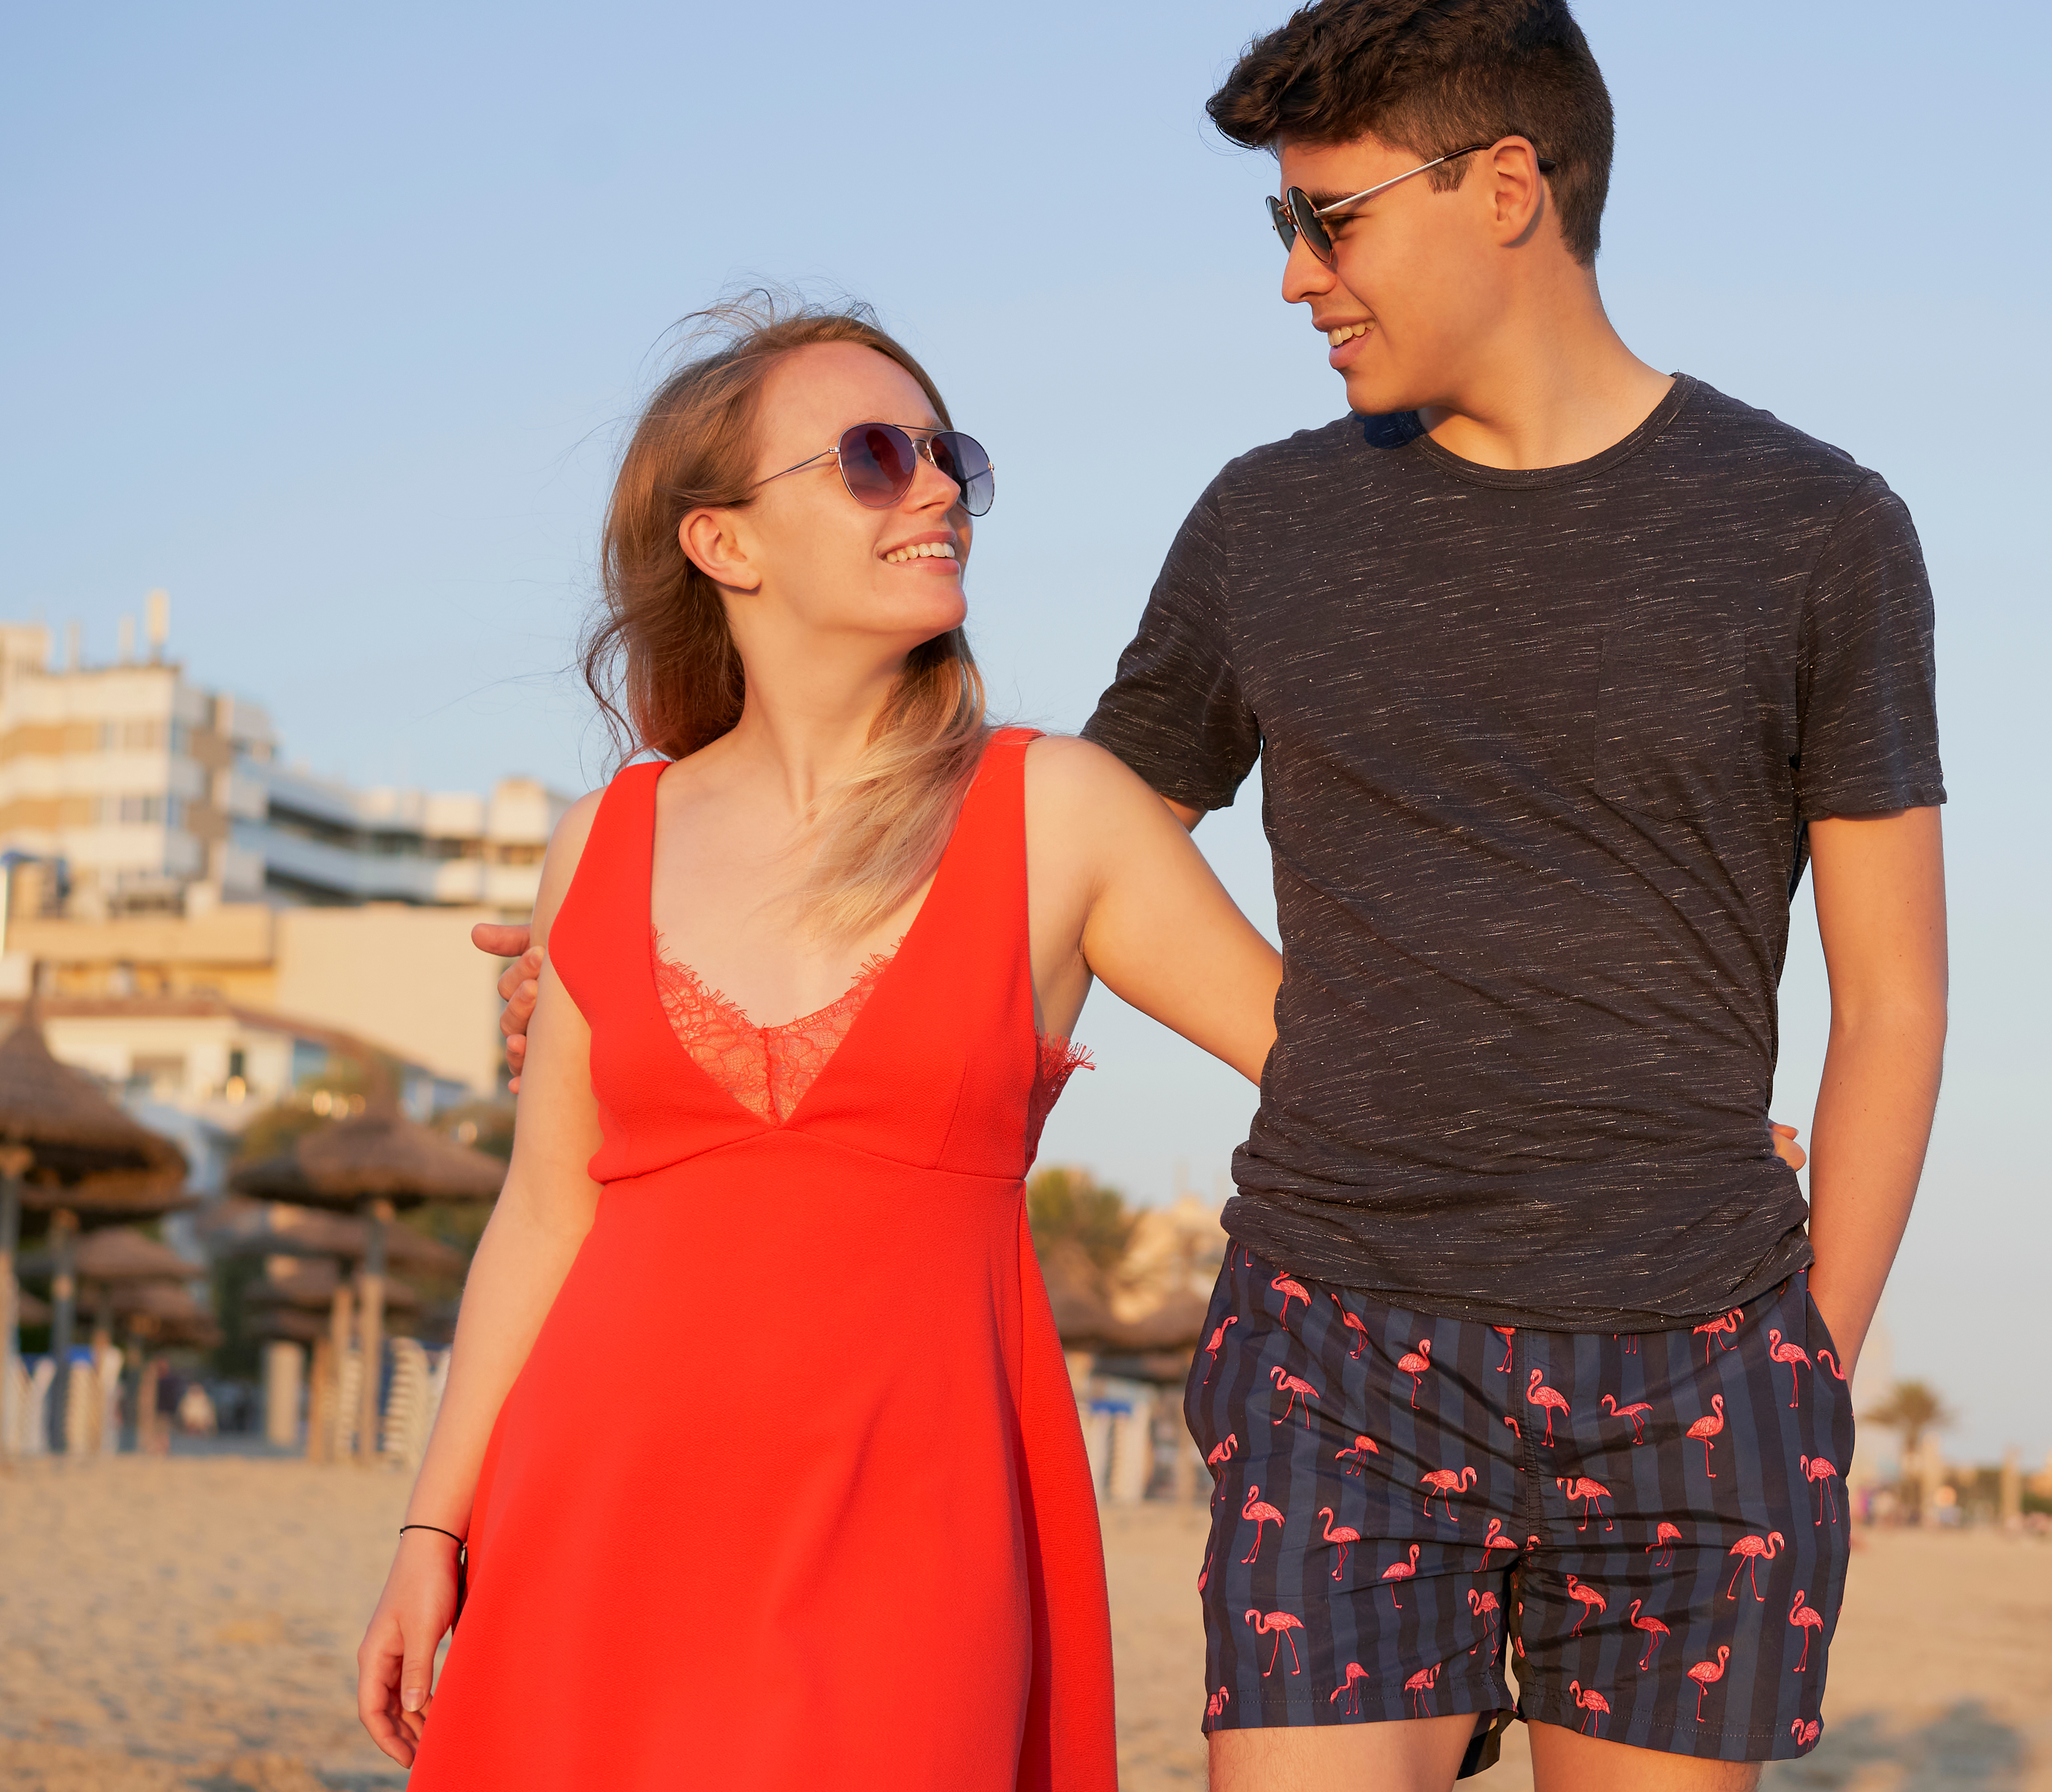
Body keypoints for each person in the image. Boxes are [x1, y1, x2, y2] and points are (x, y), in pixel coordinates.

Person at [485, 1, 1942, 1781]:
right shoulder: (1266, 527)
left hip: (1699, 1357)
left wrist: (1813, 1351)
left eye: (1326, 222)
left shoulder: (1815, 529)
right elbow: (992, 853)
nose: (1295, 280)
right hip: (1339, 1332)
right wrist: (637, 965)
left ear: (1503, 190)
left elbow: (1891, 999)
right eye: (1281, 227)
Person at [358, 299, 1281, 1792]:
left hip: (918, 1524)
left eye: (946, 456)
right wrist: (429, 1533)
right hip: (594, 1522)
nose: (933, 488)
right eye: (871, 455)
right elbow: (542, 1213)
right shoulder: (602, 840)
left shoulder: (1060, 813)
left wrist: (1657, 1126)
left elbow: (1338, 1064)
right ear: (724, 542)